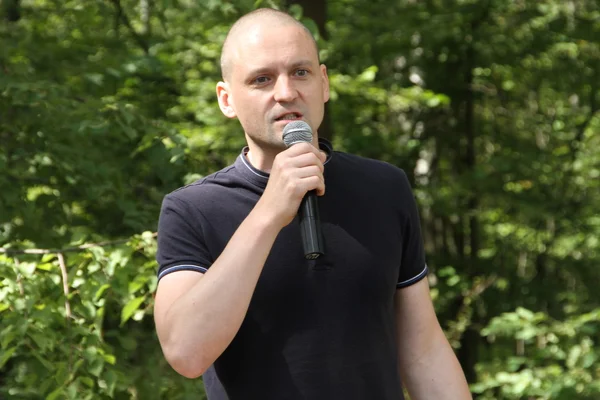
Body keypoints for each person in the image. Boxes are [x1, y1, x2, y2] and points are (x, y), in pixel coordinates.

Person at [154, 7, 472, 400]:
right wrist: (270, 212)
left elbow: (423, 350)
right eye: (262, 79)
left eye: (300, 72)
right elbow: (186, 352)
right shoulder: (192, 209)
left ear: (323, 83)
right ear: (227, 99)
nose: (286, 92)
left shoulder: (385, 188)